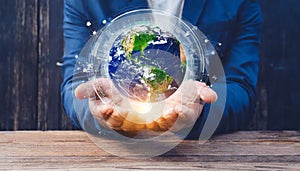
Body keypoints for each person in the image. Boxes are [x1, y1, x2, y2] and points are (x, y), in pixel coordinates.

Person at [61, 0, 262, 139]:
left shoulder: (239, 2)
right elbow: (75, 85)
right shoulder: (84, 2)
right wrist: (97, 109)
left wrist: (199, 112)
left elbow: (241, 89)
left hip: (198, 156)